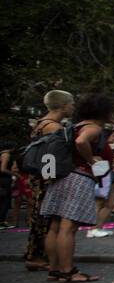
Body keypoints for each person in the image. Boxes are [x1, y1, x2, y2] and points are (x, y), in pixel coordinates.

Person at [42, 93, 114, 283]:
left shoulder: (75, 126)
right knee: (69, 227)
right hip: (79, 177)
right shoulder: (93, 128)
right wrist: (91, 161)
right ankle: (68, 271)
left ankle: (54, 268)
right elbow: (81, 142)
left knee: (55, 226)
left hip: (62, 176)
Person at [24, 90, 75, 271]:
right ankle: (39, 257)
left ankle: (36, 255)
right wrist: (51, 178)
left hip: (39, 177)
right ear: (62, 106)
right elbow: (50, 157)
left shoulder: (40, 124)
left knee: (40, 217)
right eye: (71, 104)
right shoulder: (54, 128)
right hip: (46, 178)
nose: (73, 107)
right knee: (46, 219)